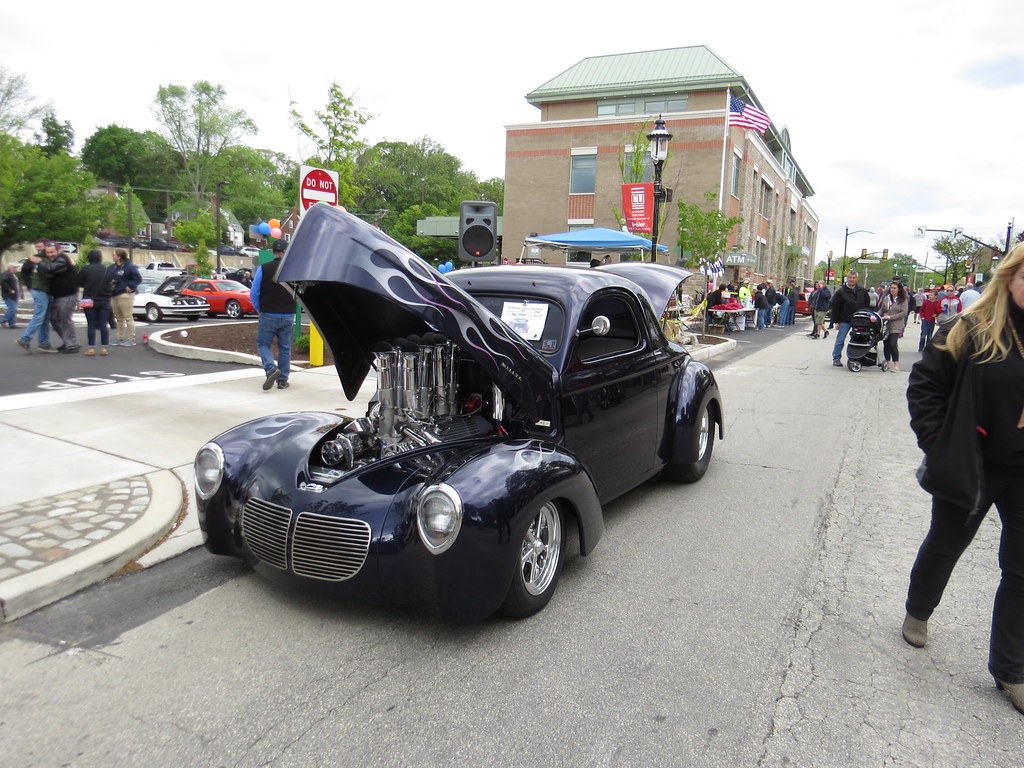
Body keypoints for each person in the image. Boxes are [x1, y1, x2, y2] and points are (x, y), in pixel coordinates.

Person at [903, 241, 1024, 716]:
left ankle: (1011, 670)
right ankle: (918, 610)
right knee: (946, 544)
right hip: (973, 464)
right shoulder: (970, 328)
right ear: (1009, 277)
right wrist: (942, 446)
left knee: (1021, 570)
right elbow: (924, 388)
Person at [252, 240, 297, 390]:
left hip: (268, 313)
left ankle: (271, 368)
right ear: (286, 252)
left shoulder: (263, 268)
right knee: (285, 347)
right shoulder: (292, 270)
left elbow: (254, 293)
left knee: (263, 344)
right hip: (288, 314)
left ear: (272, 252)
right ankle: (283, 380)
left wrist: (260, 309)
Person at [17, 240, 62, 353]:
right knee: (39, 316)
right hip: (41, 290)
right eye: (48, 251)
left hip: (44, 290)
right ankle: (25, 339)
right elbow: (49, 273)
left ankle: (44, 342)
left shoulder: (39, 258)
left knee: (44, 318)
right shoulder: (43, 260)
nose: (50, 253)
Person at [829, 270, 871, 366]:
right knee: (840, 340)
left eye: (854, 278)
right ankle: (836, 358)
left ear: (856, 279)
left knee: (859, 339)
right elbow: (835, 307)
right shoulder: (841, 292)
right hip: (845, 320)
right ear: (847, 278)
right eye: (850, 278)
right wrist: (836, 321)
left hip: (859, 320)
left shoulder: (863, 291)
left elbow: (867, 306)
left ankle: (857, 357)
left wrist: (867, 318)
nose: (852, 280)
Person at [78, 249, 113, 355]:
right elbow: (111, 283)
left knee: (91, 324)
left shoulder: (85, 269)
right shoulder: (107, 270)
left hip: (89, 299)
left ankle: (91, 348)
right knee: (103, 324)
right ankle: (104, 348)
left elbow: (79, 282)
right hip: (104, 299)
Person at [48, 246, 80, 353]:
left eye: (52, 252)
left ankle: (71, 345)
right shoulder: (56, 260)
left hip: (67, 295)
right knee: (54, 319)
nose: (50, 254)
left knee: (65, 320)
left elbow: (51, 268)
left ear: (58, 251)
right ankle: (68, 342)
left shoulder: (62, 259)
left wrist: (40, 262)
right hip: (58, 296)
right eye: (48, 252)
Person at [109, 249, 141, 346]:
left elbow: (138, 278)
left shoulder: (130, 267)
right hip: (114, 294)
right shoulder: (112, 267)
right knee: (118, 318)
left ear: (119, 256)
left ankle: (131, 339)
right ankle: (120, 337)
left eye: (114, 255)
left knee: (128, 317)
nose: (112, 256)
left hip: (125, 294)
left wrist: (131, 286)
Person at [879, 281, 908, 371]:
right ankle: (887, 363)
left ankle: (896, 364)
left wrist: (891, 317)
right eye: (891, 288)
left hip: (896, 325)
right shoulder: (886, 298)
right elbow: (882, 309)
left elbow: (903, 312)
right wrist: (877, 315)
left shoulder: (902, 300)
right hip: (886, 325)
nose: (892, 289)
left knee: (892, 343)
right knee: (886, 343)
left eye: (895, 288)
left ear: (899, 289)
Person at [2, 263, 20, 328]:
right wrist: (10, 290)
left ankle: (12, 324)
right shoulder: (6, 274)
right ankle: (3, 320)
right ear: (10, 267)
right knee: (13, 308)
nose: (16, 269)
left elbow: (17, 285)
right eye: (14, 267)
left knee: (13, 309)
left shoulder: (13, 275)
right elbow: (3, 282)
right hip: (8, 295)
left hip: (14, 295)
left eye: (16, 267)